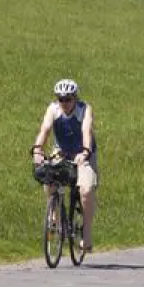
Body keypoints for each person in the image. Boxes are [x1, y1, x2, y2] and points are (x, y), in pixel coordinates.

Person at [32, 78, 98, 253]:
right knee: (48, 176)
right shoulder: (53, 109)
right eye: (61, 99)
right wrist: (38, 150)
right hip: (61, 151)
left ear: (75, 98)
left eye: (68, 99)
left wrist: (85, 152)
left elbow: (86, 130)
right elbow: (45, 130)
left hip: (84, 153)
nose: (64, 103)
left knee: (86, 190)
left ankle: (86, 233)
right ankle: (54, 213)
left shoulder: (84, 109)